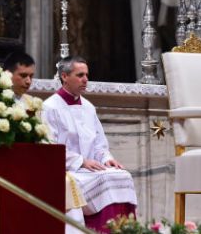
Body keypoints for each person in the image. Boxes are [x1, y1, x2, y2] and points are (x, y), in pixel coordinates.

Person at [42, 56, 137, 233]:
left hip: (89, 170)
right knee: (104, 181)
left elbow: (99, 144)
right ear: (64, 76)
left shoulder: (88, 107)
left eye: (86, 75)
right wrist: (81, 161)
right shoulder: (50, 107)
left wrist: (107, 159)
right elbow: (49, 147)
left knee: (121, 176)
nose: (85, 79)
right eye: (80, 75)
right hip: (67, 171)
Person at [3, 51, 88, 233]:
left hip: (31, 162)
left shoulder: (32, 103)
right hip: (8, 163)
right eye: (23, 76)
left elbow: (45, 139)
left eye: (31, 76)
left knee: (65, 181)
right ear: (7, 74)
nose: (28, 81)